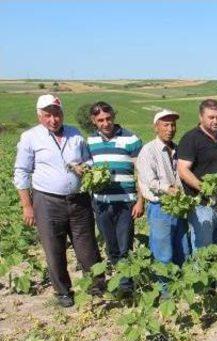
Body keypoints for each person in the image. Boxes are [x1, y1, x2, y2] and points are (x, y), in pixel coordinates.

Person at [13, 94, 105, 307]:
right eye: (48, 115)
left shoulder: (74, 134)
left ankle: (97, 287)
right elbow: (22, 171)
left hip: (79, 200)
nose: (53, 119)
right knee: (54, 249)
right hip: (47, 201)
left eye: (57, 114)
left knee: (87, 247)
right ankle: (63, 291)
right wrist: (27, 205)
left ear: (62, 113)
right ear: (39, 116)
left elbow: (88, 159)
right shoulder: (30, 137)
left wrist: (86, 167)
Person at [87, 101, 144, 294]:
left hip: (126, 202)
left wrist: (140, 200)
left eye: (108, 118)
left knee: (124, 245)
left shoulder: (131, 139)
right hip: (101, 203)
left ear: (114, 117)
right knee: (111, 246)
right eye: (100, 120)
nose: (105, 123)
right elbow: (85, 169)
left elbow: (141, 172)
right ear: (94, 121)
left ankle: (126, 287)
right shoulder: (90, 142)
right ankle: (121, 279)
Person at [137, 110, 190, 267]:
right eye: (165, 125)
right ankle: (164, 288)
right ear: (156, 127)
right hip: (160, 207)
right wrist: (168, 189)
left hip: (179, 207)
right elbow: (150, 181)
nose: (170, 129)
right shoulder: (148, 151)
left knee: (183, 249)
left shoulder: (178, 149)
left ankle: (182, 285)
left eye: (173, 125)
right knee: (162, 253)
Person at [177, 99, 217, 251]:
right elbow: (183, 170)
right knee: (203, 247)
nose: (215, 121)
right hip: (202, 205)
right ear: (201, 117)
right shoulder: (191, 138)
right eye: (211, 117)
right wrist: (204, 188)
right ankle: (202, 275)